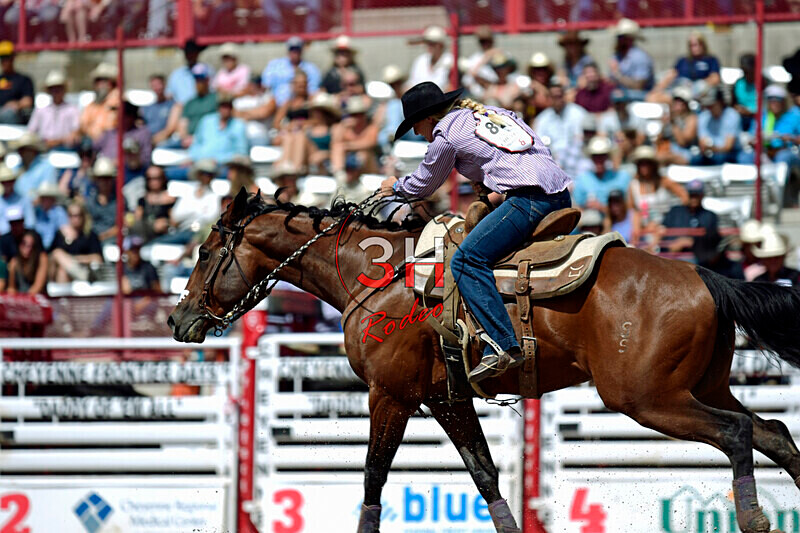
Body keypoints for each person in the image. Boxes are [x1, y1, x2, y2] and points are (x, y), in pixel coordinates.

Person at [378, 82, 573, 384]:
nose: (416, 133)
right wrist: (492, 186)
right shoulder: (492, 114)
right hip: (556, 193)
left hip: (529, 200)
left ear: (429, 118)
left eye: (416, 124)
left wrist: (394, 188)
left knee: (466, 260)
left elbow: (425, 184)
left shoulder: (446, 133)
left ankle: (503, 344)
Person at [661, 180, 735, 276]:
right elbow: (662, 233)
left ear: (702, 195)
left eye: (696, 195)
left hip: (700, 262)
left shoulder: (710, 216)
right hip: (672, 258)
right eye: (691, 194)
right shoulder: (675, 212)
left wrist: (691, 241)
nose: (693, 198)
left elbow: (712, 242)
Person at [626, 145, 688, 245]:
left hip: (667, 226)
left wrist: (672, 216)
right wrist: (638, 229)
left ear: (653, 165)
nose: (644, 166)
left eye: (647, 163)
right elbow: (634, 211)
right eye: (641, 163)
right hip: (646, 228)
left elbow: (684, 196)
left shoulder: (664, 181)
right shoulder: (633, 185)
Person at [648, 32, 721, 104]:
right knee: (651, 98)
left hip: (696, 92)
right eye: (692, 45)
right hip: (679, 89)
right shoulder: (683, 60)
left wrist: (699, 85)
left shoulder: (711, 60)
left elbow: (715, 78)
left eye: (697, 44)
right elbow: (670, 76)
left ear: (703, 45)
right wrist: (657, 89)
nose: (695, 48)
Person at [533, 83, 587, 178]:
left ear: (564, 96)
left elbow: (581, 140)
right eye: (554, 97)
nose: (557, 99)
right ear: (549, 98)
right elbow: (539, 144)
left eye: (559, 96)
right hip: (553, 160)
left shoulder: (578, 113)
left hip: (577, 159)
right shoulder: (542, 119)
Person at [162, 159, 221, 244]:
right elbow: (176, 216)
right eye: (203, 173)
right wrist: (198, 212)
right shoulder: (187, 192)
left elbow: (211, 218)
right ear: (198, 174)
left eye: (209, 174)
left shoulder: (216, 197)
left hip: (201, 234)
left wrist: (189, 214)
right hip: (182, 232)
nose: (206, 177)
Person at [572, 136, 632, 209]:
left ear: (607, 157)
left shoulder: (621, 177)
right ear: (591, 158)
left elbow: (628, 206)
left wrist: (601, 208)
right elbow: (578, 206)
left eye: (602, 155)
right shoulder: (583, 179)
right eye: (595, 156)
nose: (598, 159)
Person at [50, 202, 103, 282]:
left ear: (83, 216)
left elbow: (98, 258)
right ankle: (84, 276)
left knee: (62, 268)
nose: (75, 219)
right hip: (62, 275)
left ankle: (82, 275)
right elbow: (52, 257)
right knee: (58, 256)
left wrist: (74, 259)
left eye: (77, 215)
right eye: (71, 215)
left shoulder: (90, 235)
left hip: (85, 269)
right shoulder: (60, 234)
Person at [261, 36, 321, 107]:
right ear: (288, 50)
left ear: (302, 50)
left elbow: (313, 91)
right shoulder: (275, 65)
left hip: (299, 102)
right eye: (292, 49)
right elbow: (265, 85)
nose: (295, 52)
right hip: (275, 102)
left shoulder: (311, 69)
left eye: (297, 49)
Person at [27, 70, 80, 149]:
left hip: (64, 148)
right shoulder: (40, 110)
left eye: (59, 88)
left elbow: (76, 132)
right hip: (43, 148)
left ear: (64, 89)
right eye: (53, 89)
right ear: (49, 91)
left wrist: (57, 142)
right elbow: (31, 132)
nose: (56, 91)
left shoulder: (72, 110)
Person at [331, 96, 379, 182]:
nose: (357, 117)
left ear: (364, 115)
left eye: (359, 114)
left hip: (368, 165)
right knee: (338, 148)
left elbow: (371, 143)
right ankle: (339, 175)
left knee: (363, 153)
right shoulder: (345, 128)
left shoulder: (371, 128)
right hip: (348, 160)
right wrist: (342, 126)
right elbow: (335, 142)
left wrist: (348, 146)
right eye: (353, 114)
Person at [188, 94, 248, 164]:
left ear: (231, 108)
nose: (225, 109)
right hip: (201, 162)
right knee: (175, 172)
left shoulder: (238, 125)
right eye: (223, 106)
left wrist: (219, 160)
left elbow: (241, 152)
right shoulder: (206, 121)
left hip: (224, 165)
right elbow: (196, 143)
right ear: (218, 107)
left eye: (228, 106)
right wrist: (194, 157)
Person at [95, 101, 152, 169]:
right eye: (118, 113)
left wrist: (123, 161)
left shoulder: (142, 133)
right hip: (104, 173)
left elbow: (145, 158)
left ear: (132, 117)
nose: (118, 117)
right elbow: (94, 149)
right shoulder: (109, 133)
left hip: (129, 172)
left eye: (123, 115)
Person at [692, 87, 741, 165]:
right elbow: (703, 142)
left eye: (712, 104)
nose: (709, 108)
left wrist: (711, 148)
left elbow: (728, 147)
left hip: (731, 154)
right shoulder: (703, 117)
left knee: (721, 158)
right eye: (708, 105)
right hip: (710, 154)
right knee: (695, 160)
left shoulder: (732, 115)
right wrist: (706, 148)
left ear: (721, 102)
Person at [377, 65, 424, 148]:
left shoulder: (412, 94)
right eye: (392, 84)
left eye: (397, 83)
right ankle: (392, 134)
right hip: (401, 133)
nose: (395, 86)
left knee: (394, 105)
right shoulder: (387, 101)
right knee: (381, 137)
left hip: (415, 132)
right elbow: (377, 122)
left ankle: (393, 133)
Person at [607, 18, 654, 101]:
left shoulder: (640, 57)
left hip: (639, 99)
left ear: (629, 39)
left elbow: (639, 86)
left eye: (620, 37)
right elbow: (611, 82)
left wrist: (617, 75)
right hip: (621, 97)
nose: (617, 40)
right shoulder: (617, 56)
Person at [85, 157, 125, 244]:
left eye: (107, 178)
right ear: (96, 180)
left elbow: (124, 224)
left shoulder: (121, 201)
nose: (104, 182)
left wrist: (103, 236)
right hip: (92, 242)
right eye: (101, 178)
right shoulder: (89, 201)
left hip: (114, 241)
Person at [178, 64, 218, 147]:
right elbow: (183, 124)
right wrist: (185, 138)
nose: (198, 83)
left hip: (209, 139)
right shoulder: (190, 103)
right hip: (189, 140)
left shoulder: (216, 99)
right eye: (196, 79)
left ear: (207, 80)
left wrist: (198, 138)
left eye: (201, 79)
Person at [79, 62, 121, 142]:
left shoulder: (118, 100)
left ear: (111, 83)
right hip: (92, 142)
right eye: (97, 81)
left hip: (111, 142)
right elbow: (83, 124)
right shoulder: (92, 104)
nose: (99, 84)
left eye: (104, 80)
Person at [656, 86, 698, 165]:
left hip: (686, 153)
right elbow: (658, 141)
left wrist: (673, 123)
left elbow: (683, 143)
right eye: (675, 101)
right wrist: (663, 125)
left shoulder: (692, 119)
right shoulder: (669, 118)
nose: (677, 105)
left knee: (662, 158)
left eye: (681, 102)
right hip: (668, 151)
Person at [12, 133, 57, 199]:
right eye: (20, 150)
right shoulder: (15, 168)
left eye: (24, 149)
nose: (20, 152)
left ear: (33, 151)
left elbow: (48, 192)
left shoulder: (47, 167)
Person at [408, 26, 454, 91]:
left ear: (441, 45)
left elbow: (451, 88)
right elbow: (410, 84)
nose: (429, 46)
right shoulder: (420, 61)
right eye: (427, 43)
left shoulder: (449, 60)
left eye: (432, 43)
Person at [167, 39, 212, 105]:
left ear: (197, 53)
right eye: (188, 53)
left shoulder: (207, 70)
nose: (190, 56)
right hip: (182, 110)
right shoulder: (176, 74)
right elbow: (169, 95)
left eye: (192, 52)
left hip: (203, 108)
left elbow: (213, 91)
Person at [0, 41, 34, 125]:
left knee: (7, 114)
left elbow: (28, 101)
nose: (4, 61)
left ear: (13, 58)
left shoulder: (23, 80)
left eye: (7, 57)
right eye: (2, 58)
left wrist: (16, 104)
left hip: (14, 116)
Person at [461, 25, 498, 99]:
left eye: (488, 40)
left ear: (492, 40)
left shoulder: (501, 55)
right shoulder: (474, 58)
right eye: (482, 41)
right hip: (476, 97)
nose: (485, 44)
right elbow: (467, 81)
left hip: (495, 96)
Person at [7, 229, 47, 295]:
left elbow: (38, 286)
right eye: (24, 243)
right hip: (21, 299)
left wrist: (24, 300)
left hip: (37, 298)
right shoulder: (14, 261)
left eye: (31, 245)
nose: (27, 248)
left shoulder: (42, 258)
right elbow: (11, 288)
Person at [141, 74, 177, 145]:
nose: (157, 88)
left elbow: (170, 129)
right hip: (147, 140)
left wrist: (153, 141)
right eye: (154, 85)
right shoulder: (147, 108)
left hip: (165, 141)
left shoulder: (172, 105)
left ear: (164, 85)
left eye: (159, 84)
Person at [32, 182, 68, 250]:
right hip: (37, 249)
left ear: (53, 199)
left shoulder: (59, 212)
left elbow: (66, 230)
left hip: (54, 248)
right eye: (42, 197)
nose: (43, 200)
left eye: (46, 198)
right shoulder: (37, 212)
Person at [0, 164, 34, 234]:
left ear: (14, 182)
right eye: (4, 182)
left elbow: (30, 223)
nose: (7, 184)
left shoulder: (24, 200)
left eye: (9, 181)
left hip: (21, 238)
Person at [732, 53, 757, 132]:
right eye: (744, 71)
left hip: (757, 119)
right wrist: (737, 108)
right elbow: (733, 103)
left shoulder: (762, 83)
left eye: (748, 71)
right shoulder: (738, 83)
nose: (746, 74)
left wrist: (750, 112)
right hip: (740, 119)